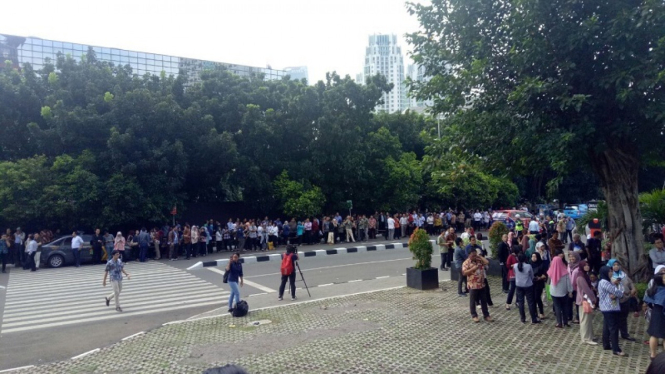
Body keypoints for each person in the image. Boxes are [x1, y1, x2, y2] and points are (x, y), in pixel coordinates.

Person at [598, 265, 627, 356]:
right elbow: (617, 292)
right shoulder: (604, 282)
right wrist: (620, 293)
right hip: (609, 308)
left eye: (611, 271)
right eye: (609, 271)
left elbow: (616, 290)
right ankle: (616, 349)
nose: (611, 273)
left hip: (609, 307)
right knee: (613, 328)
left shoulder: (607, 281)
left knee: (607, 327)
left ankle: (606, 344)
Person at [607, 259, 638, 342]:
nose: (616, 266)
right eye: (614, 265)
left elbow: (630, 282)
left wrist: (633, 288)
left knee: (623, 318)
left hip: (625, 299)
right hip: (615, 301)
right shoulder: (609, 276)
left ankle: (624, 334)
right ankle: (612, 336)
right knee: (614, 319)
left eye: (617, 264)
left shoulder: (623, 274)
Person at [462, 249, 493, 323]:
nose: (474, 257)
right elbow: (464, 273)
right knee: (473, 301)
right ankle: (474, 315)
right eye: (473, 255)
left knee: (484, 300)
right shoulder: (466, 262)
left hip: (481, 284)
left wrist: (480, 256)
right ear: (469, 255)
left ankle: (486, 315)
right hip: (473, 284)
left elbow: (487, 262)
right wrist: (473, 269)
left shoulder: (479, 260)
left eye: (475, 255)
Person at [644, 265, 665, 360]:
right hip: (660, 312)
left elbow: (649, 302)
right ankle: (654, 355)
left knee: (654, 334)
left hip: (656, 311)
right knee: (656, 335)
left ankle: (653, 355)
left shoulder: (654, 288)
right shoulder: (662, 290)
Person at [576, 260, 598, 345]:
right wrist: (593, 298)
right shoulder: (581, 277)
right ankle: (586, 338)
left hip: (586, 300)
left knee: (588, 319)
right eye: (585, 265)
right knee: (585, 319)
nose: (587, 266)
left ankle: (590, 335)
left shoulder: (585, 275)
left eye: (588, 265)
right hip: (584, 300)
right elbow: (587, 290)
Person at [514, 253, 540, 324]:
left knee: (521, 302)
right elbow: (532, 276)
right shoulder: (528, 266)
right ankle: (533, 319)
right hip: (528, 285)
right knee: (530, 302)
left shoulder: (515, 266)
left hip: (519, 285)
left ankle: (523, 318)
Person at [548, 255, 573, 328]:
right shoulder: (565, 272)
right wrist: (570, 291)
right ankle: (565, 322)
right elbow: (568, 283)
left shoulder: (551, 271)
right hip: (563, 292)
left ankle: (559, 322)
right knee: (565, 307)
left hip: (554, 292)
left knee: (557, 307)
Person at [531, 252, 548, 320]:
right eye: (532, 256)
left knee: (537, 297)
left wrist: (540, 278)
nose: (533, 258)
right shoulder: (530, 264)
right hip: (532, 283)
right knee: (533, 299)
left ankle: (541, 312)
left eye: (535, 256)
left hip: (539, 283)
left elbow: (545, 275)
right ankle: (534, 313)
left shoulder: (541, 264)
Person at [568, 251, 581, 324]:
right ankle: (569, 316)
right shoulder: (569, 265)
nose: (571, 258)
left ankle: (578, 317)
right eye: (570, 257)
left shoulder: (579, 266)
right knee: (569, 303)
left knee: (577, 303)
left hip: (577, 288)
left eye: (573, 256)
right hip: (569, 288)